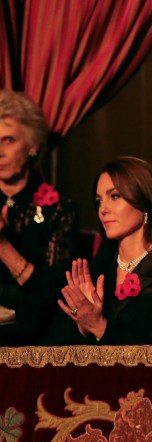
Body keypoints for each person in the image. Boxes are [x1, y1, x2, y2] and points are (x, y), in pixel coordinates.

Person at [52, 157, 152, 345]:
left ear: (145, 202)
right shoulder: (100, 266)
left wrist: (100, 328)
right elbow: (54, 345)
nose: (102, 209)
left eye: (114, 197)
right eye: (99, 201)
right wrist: (82, 325)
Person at [0, 90, 78, 345]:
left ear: (32, 145)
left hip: (33, 337)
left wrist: (3, 247)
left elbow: (54, 297)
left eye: (8, 140)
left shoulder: (59, 210)